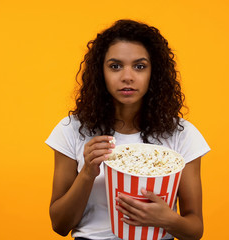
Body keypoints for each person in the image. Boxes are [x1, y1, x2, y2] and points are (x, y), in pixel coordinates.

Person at [45, 19, 210, 240]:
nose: (127, 77)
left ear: (155, 72)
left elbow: (194, 230)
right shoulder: (73, 130)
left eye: (139, 66)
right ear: (100, 72)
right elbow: (59, 224)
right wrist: (87, 173)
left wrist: (167, 219)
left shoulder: (182, 134)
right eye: (115, 66)